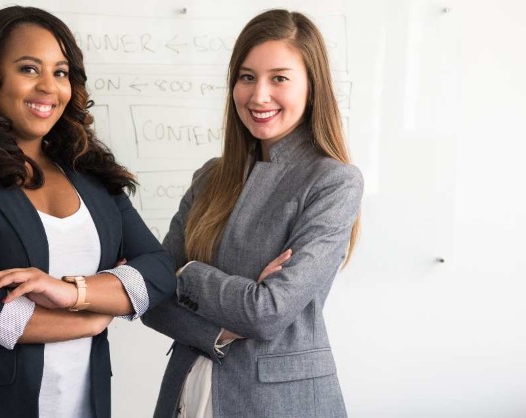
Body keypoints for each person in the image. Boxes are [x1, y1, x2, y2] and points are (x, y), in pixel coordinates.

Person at [0, 6, 176, 418]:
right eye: (29, 69)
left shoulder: (93, 177)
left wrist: (73, 292)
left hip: (83, 405)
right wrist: (90, 319)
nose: (48, 87)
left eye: (61, 72)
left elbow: (157, 270)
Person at [142, 9, 363, 418]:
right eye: (247, 77)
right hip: (186, 391)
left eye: (279, 78)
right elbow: (151, 298)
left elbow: (267, 312)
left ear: (312, 88)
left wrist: (186, 273)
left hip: (279, 403)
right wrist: (220, 331)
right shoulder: (210, 176)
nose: (259, 95)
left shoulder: (334, 182)